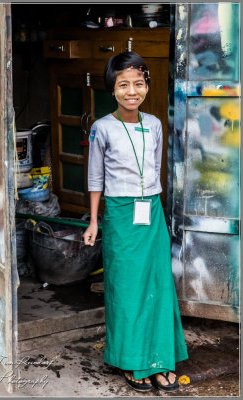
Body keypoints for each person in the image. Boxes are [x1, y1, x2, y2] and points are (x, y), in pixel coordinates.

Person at [83, 51, 188, 392]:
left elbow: (154, 172)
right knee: (127, 288)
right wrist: (94, 222)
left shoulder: (155, 124)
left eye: (138, 84)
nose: (132, 91)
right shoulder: (102, 128)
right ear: (111, 90)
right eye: (123, 84)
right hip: (119, 214)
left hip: (151, 211)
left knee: (156, 285)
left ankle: (159, 360)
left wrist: (152, 202)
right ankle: (132, 361)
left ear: (147, 86)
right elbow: (95, 178)